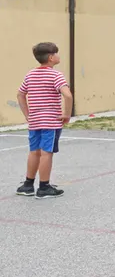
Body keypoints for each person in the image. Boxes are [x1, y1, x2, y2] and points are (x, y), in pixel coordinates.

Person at [15, 42, 73, 199]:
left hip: (34, 121)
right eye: (57, 53)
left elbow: (20, 94)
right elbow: (67, 95)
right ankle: (44, 187)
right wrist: (67, 114)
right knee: (46, 153)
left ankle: (28, 185)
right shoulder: (56, 75)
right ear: (51, 57)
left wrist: (27, 114)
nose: (59, 56)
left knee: (34, 152)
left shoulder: (30, 74)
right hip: (50, 122)